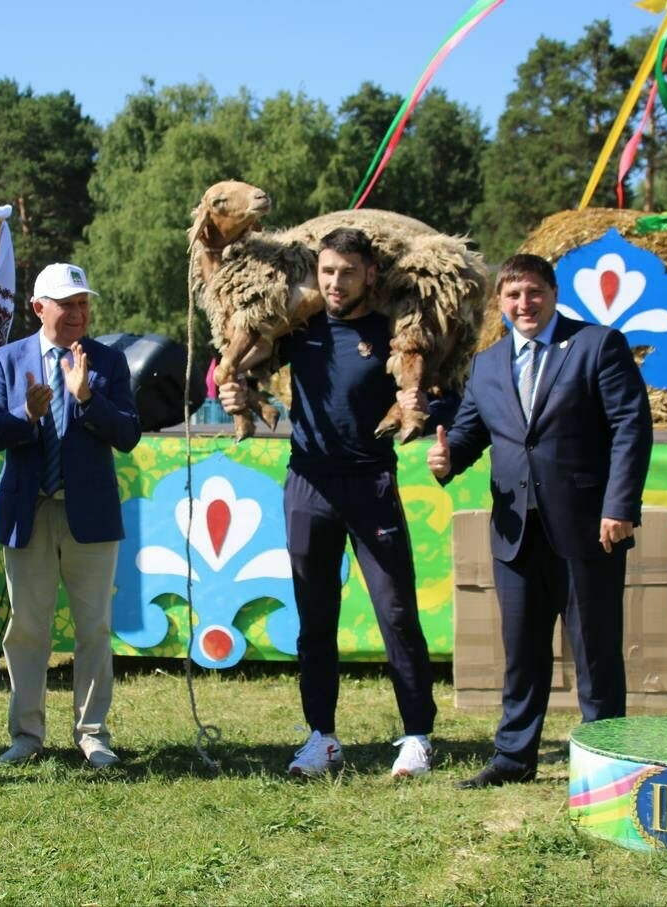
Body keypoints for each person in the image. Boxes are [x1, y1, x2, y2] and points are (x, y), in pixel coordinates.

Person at [426, 253, 653, 789]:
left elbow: (630, 428)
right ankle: (512, 757)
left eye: (532, 292)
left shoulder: (598, 345)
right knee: (522, 650)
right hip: (514, 531)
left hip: (587, 528)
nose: (523, 304)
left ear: (552, 293)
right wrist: (448, 459)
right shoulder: (487, 364)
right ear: (499, 303)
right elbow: (470, 434)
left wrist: (619, 506)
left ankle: (607, 759)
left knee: (594, 649)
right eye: (512, 296)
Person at [219, 228, 438, 779]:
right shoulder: (301, 325)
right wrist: (231, 389)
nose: (335, 283)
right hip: (307, 487)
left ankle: (417, 736)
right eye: (327, 271)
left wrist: (423, 401)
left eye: (347, 272)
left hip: (371, 487)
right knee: (315, 621)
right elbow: (246, 362)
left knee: (396, 614)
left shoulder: (394, 328)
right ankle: (322, 738)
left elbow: (439, 386)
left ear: (369, 273)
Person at [0, 263, 141, 769]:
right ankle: (27, 734)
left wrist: (86, 397)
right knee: (27, 628)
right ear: (38, 307)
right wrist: (27, 415)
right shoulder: (6, 361)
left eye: (83, 303)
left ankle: (93, 735)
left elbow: (128, 434)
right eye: (67, 304)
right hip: (29, 513)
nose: (77, 313)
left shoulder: (109, 362)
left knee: (93, 628)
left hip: (88, 515)